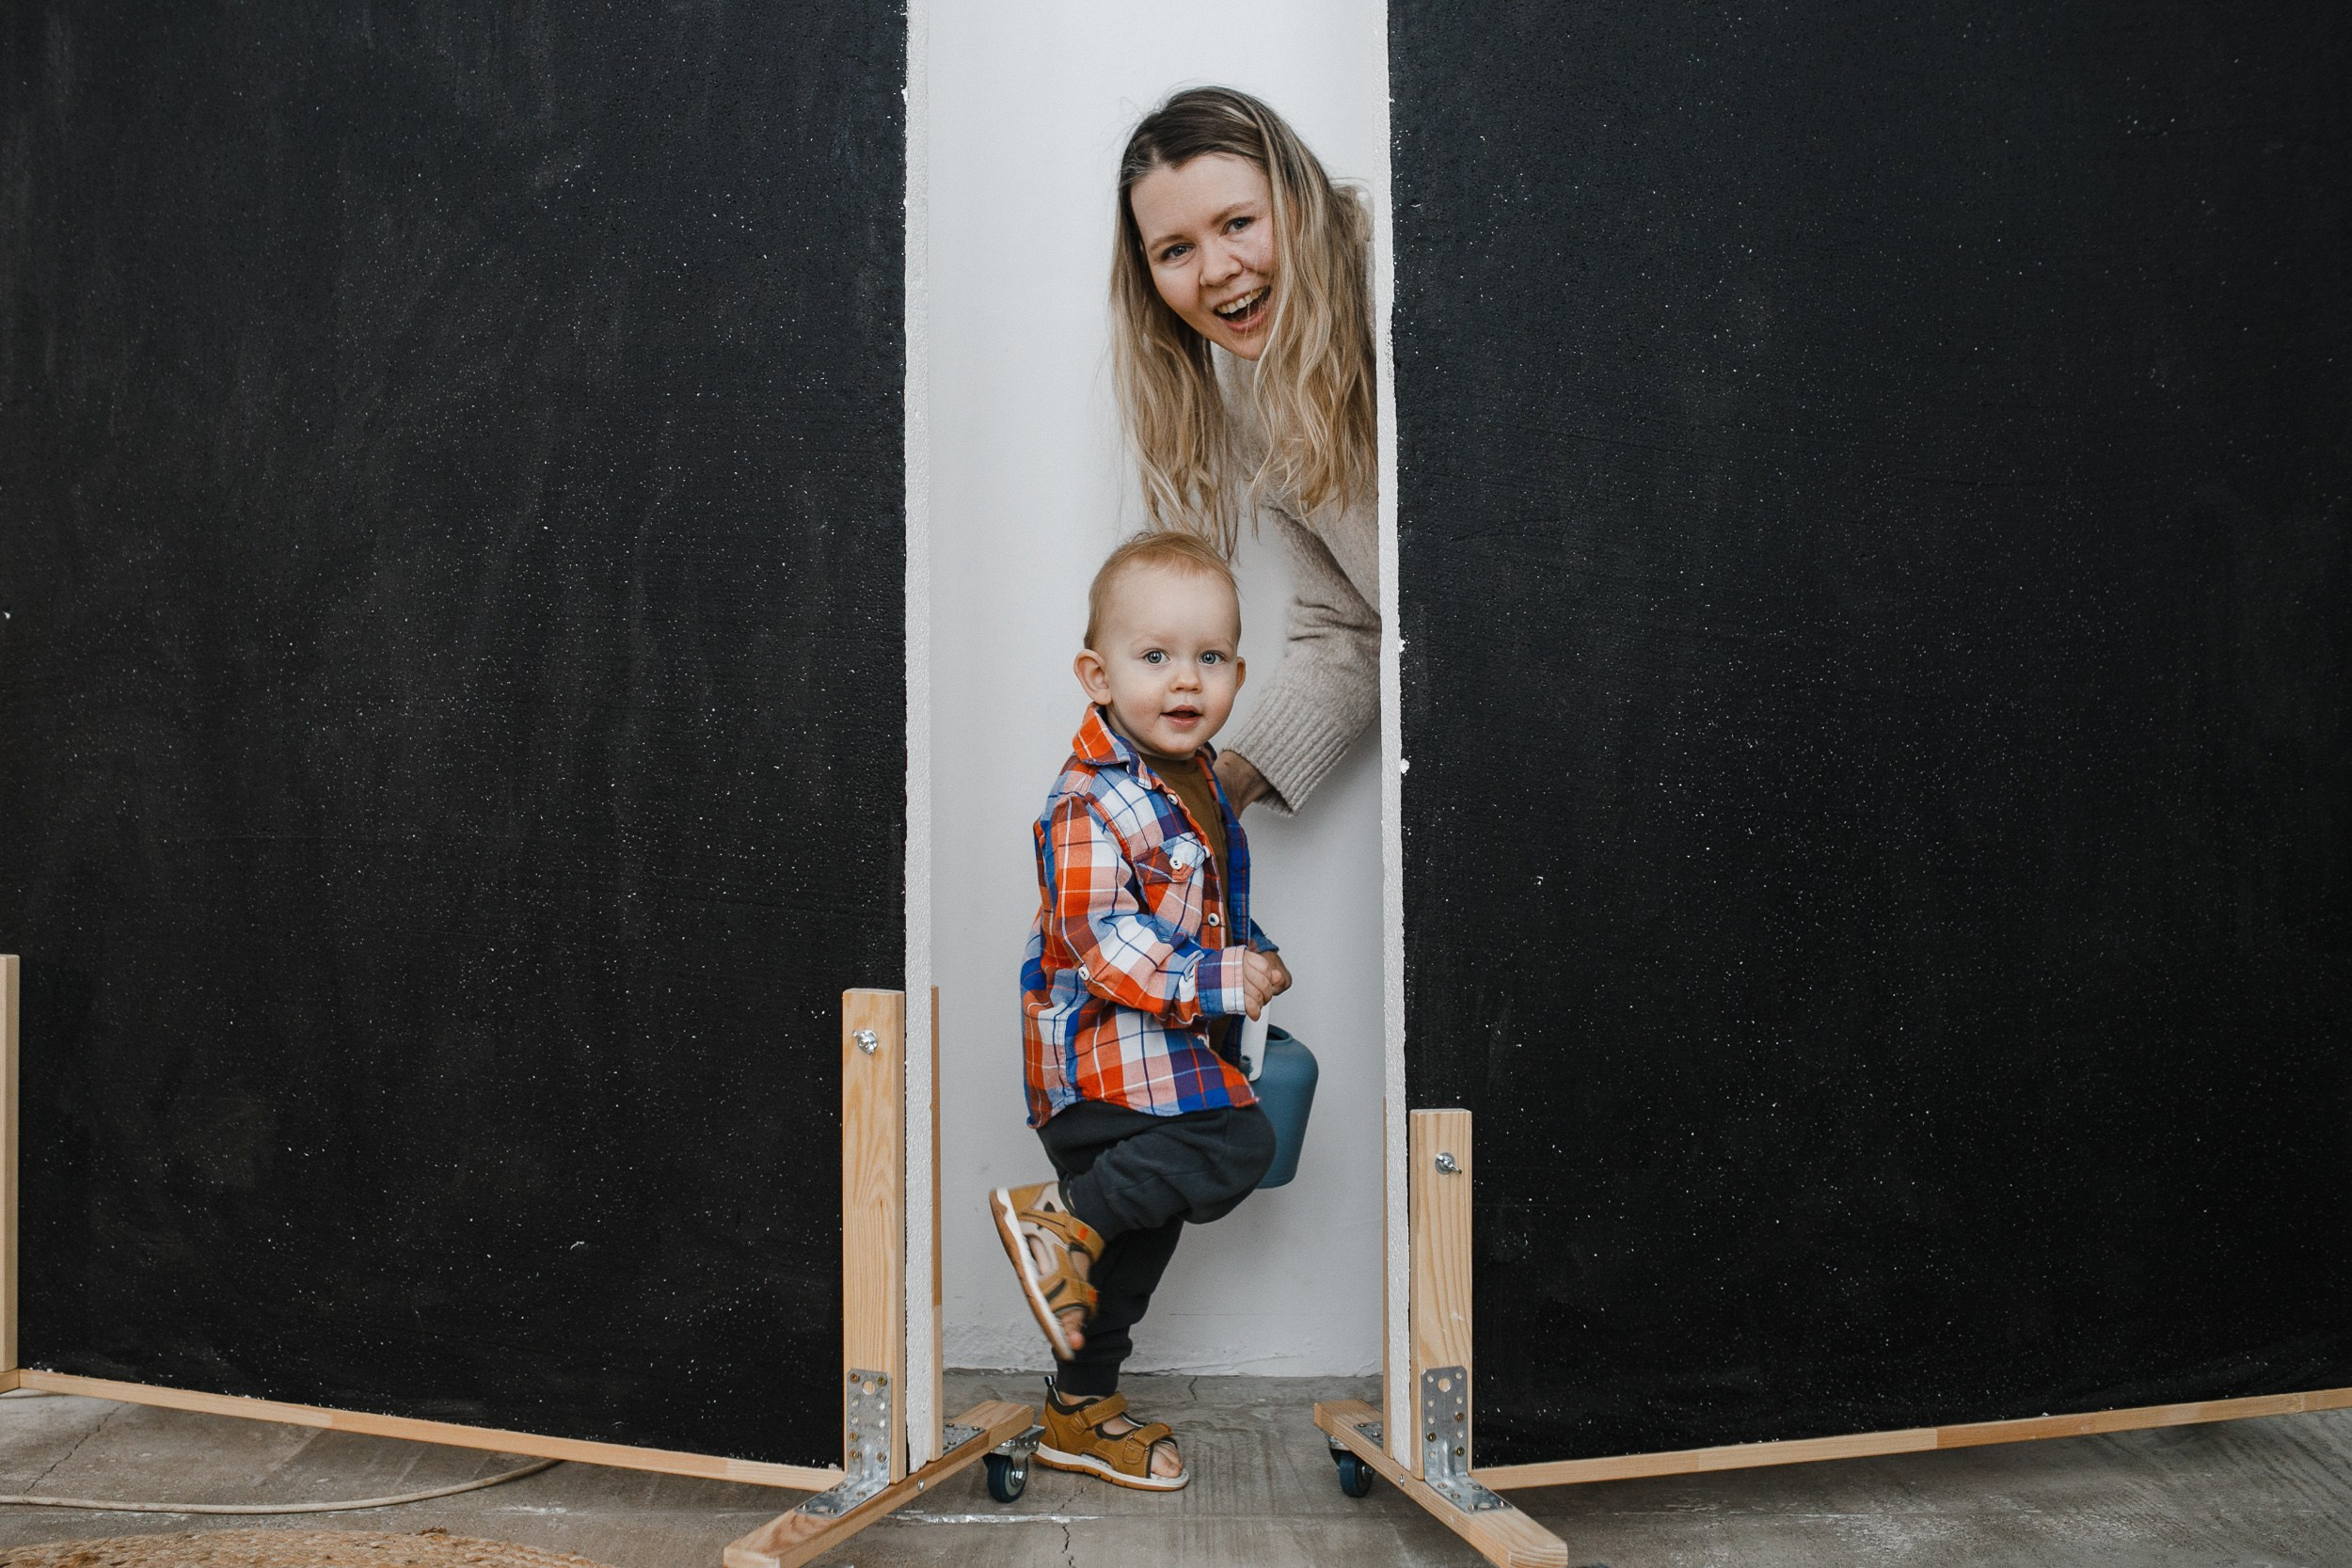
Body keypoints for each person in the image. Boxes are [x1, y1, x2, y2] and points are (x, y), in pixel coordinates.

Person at [990, 531, 1293, 1491]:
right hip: (1097, 1059)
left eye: (1210, 656)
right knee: (1236, 1138)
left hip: (1158, 1053)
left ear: (1238, 672)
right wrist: (1217, 979)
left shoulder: (1196, 780)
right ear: (1099, 674)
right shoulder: (1090, 798)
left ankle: (1077, 1412)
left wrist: (1253, 954)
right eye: (1154, 655)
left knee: (1128, 1250)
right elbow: (1102, 938)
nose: (1184, 678)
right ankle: (1060, 1219)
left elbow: (1198, 910)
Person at [1111, 86, 1379, 818]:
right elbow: (1350, 619)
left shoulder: (1404, 294)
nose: (1217, 270)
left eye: (1238, 223)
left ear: (1300, 200)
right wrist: (1225, 783)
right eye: (1176, 250)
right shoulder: (1245, 385)